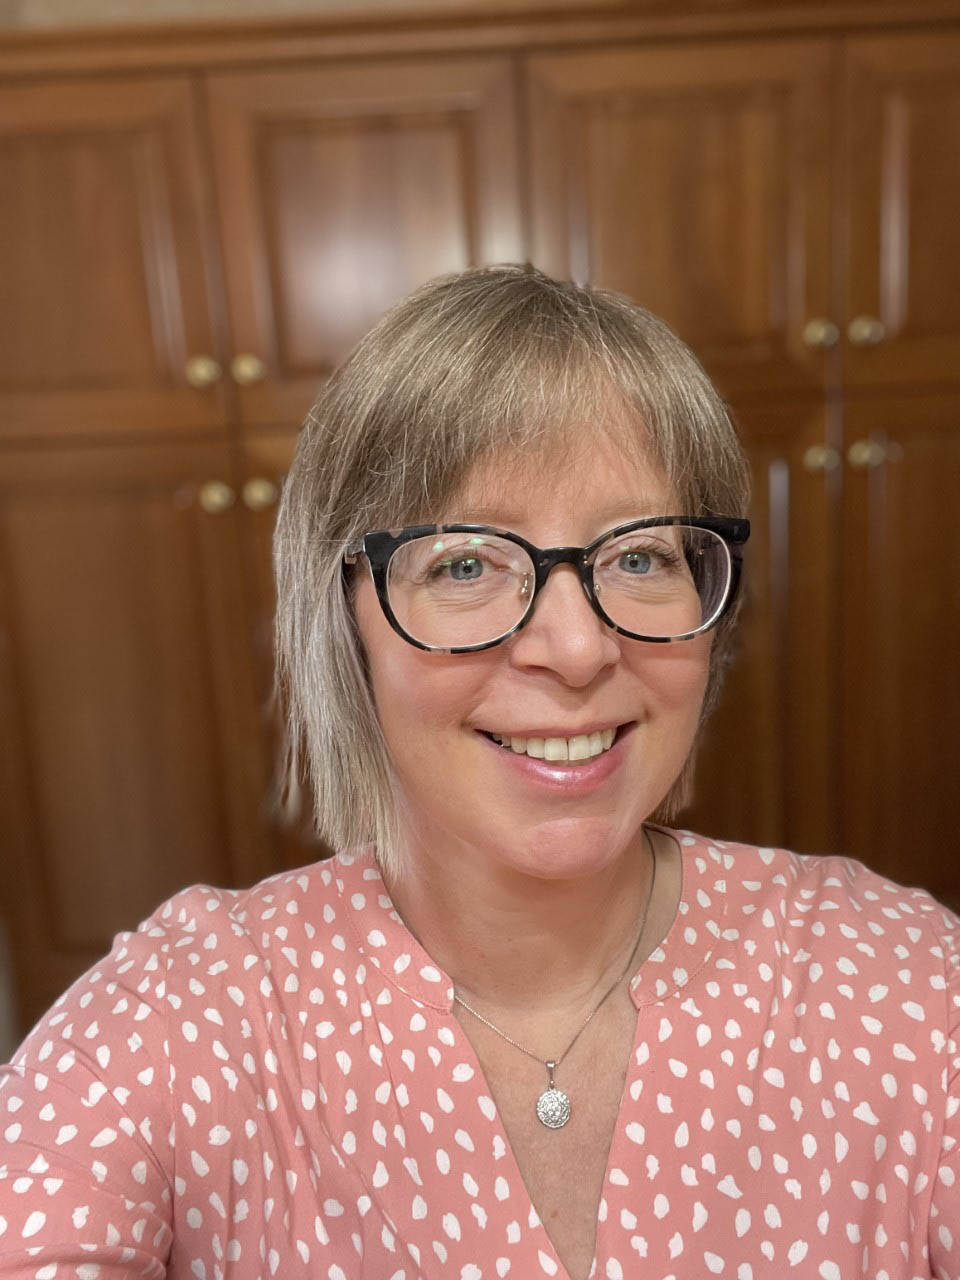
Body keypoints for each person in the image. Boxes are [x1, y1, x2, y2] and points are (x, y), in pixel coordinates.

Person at [1, 264, 958, 1280]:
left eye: (640, 556)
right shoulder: (182, 1017)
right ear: (346, 621)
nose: (578, 649)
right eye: (464, 563)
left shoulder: (903, 986)